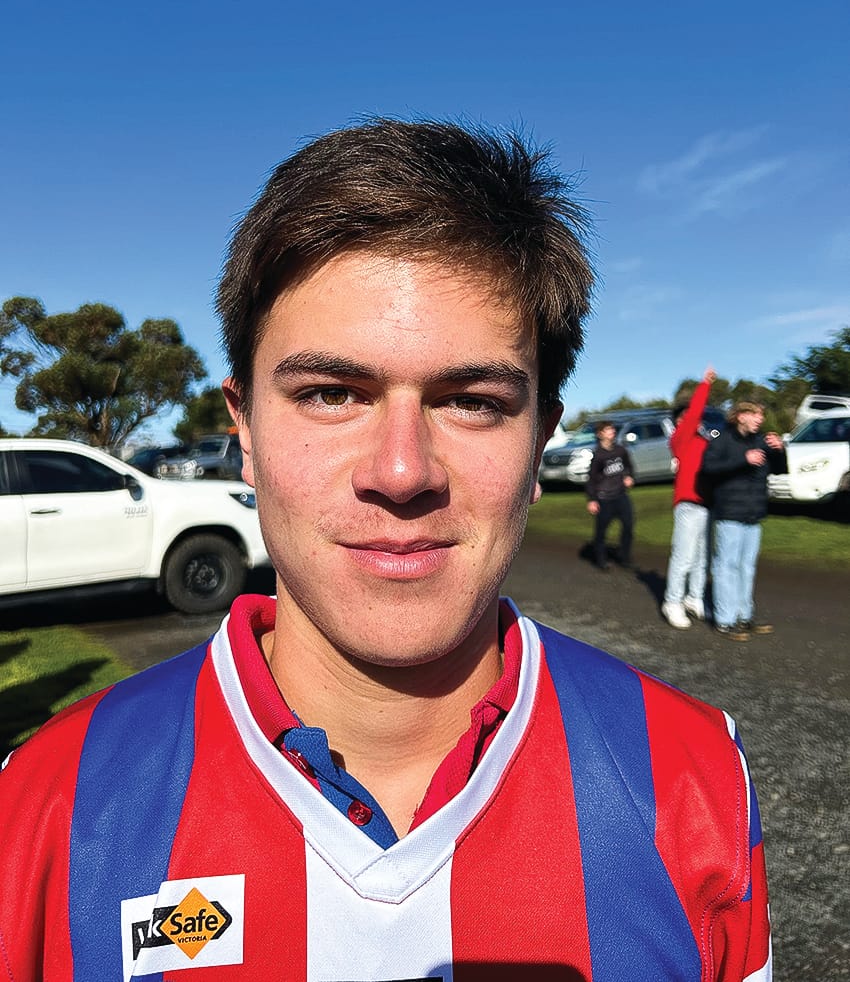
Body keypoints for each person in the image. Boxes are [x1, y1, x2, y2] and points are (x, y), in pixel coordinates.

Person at [0, 119, 771, 980]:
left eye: (473, 401)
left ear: (539, 443)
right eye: (332, 393)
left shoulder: (696, 776)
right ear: (244, 429)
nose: (402, 473)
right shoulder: (42, 804)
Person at [700, 400, 787, 642]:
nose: (760, 419)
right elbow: (708, 469)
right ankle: (725, 620)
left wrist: (780, 450)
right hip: (729, 513)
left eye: (761, 415)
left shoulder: (761, 440)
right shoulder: (721, 440)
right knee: (726, 566)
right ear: (740, 416)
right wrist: (743, 459)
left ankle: (744, 616)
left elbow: (780, 469)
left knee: (747, 567)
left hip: (754, 513)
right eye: (755, 415)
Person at [661, 366, 717, 629]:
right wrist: (705, 384)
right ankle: (672, 601)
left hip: (706, 503)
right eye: (685, 418)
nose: (693, 420)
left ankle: (694, 597)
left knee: (702, 557)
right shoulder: (680, 438)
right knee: (683, 556)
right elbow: (694, 413)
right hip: (687, 503)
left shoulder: (703, 441)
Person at [585, 419, 635, 571]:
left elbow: (629, 467)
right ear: (600, 434)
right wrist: (592, 500)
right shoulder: (598, 455)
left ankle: (624, 557)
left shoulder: (620, 450)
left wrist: (628, 476)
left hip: (620, 495)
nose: (612, 432)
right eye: (608, 430)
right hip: (604, 498)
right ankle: (601, 560)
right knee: (601, 531)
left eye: (613, 429)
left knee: (628, 525)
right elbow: (591, 479)